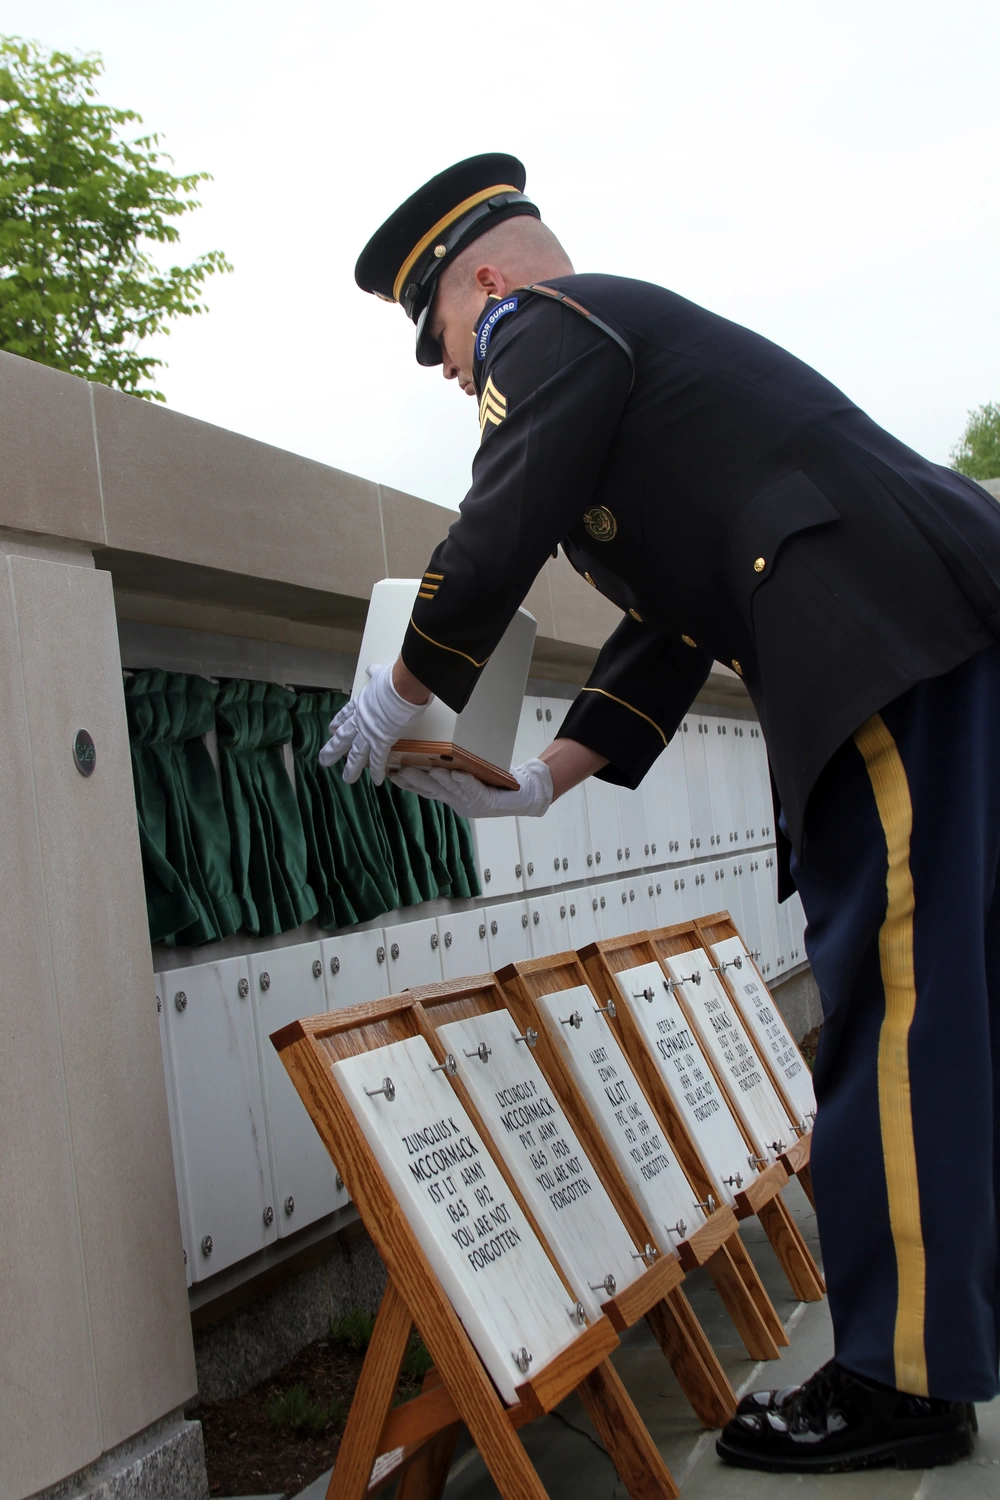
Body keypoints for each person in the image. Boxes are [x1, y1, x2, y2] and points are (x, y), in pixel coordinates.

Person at [323, 153, 1000, 1472]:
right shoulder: (638, 386)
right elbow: (672, 619)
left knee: (902, 997)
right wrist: (539, 779)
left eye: (450, 338)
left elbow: (505, 506)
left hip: (882, 633)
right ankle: (935, 1335)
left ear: (490, 281)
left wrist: (407, 684)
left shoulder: (553, 324)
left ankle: (900, 1380)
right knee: (946, 996)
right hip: (913, 623)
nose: (460, 373)